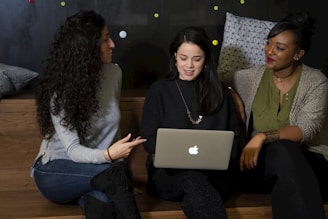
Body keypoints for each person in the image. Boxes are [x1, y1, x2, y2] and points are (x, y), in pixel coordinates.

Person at [30, 10, 146, 219]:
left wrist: (120, 177)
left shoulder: (114, 73)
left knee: (103, 203)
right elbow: (73, 151)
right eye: (105, 39)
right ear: (87, 48)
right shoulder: (60, 92)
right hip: (55, 172)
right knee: (113, 180)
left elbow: (114, 133)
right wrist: (112, 163)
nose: (112, 44)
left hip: (98, 172)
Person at [230, 11, 328, 218]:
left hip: (309, 163)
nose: (269, 51)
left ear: (298, 54)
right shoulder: (249, 78)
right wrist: (229, 91)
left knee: (285, 170)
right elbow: (212, 78)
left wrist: (262, 136)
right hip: (258, 165)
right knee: (282, 156)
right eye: (268, 43)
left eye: (280, 48)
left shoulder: (316, 81)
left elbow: (306, 130)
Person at [141, 26, 240, 219]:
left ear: (206, 60)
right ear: (175, 56)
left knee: (197, 191)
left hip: (214, 176)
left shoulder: (220, 92)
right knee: (193, 180)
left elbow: (234, 141)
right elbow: (148, 140)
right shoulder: (159, 91)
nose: (189, 66)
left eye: (197, 59)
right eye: (183, 58)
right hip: (168, 176)